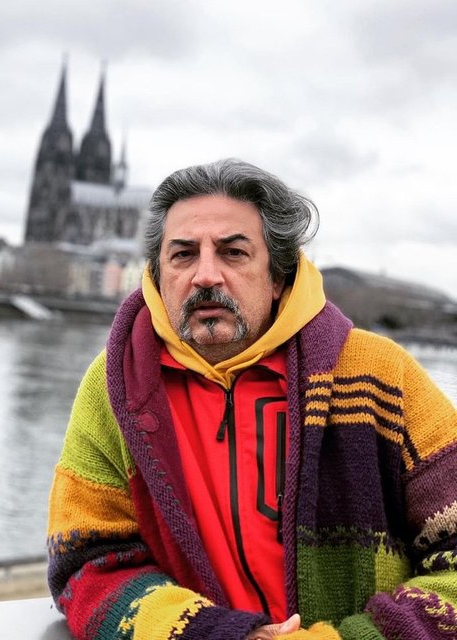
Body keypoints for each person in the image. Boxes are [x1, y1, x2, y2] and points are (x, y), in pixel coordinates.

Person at [47, 159, 457, 639]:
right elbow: (85, 562)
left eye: (233, 252)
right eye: (183, 255)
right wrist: (212, 633)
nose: (205, 275)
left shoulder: (381, 374)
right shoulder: (114, 387)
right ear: (157, 274)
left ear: (278, 276)